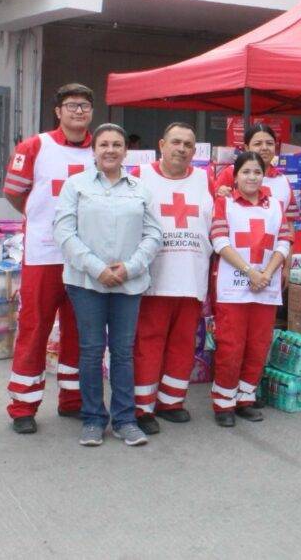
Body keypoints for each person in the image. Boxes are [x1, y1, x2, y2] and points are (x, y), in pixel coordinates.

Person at [54, 124, 162, 447]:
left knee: (123, 352)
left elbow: (154, 234)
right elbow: (63, 232)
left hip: (128, 284)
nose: (110, 150)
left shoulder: (140, 188)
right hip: (87, 282)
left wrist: (130, 268)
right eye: (104, 144)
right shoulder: (76, 185)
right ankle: (92, 419)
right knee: (89, 352)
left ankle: (125, 419)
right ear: (94, 149)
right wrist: (97, 268)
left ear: (125, 151)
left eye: (117, 144)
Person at [1, 82, 96, 434]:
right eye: (71, 105)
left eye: (85, 106)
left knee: (79, 330)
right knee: (35, 327)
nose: (78, 111)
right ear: (58, 111)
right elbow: (13, 192)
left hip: (84, 257)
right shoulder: (36, 145)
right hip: (44, 254)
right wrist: (40, 217)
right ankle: (22, 407)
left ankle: (72, 400)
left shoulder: (99, 151)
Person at [132, 123, 213, 435]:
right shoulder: (141, 176)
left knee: (183, 343)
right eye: (176, 142)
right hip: (155, 278)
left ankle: (172, 402)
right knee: (148, 343)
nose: (182, 149)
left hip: (192, 277)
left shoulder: (205, 178)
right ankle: (142, 406)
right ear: (162, 144)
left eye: (188, 145)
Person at [209, 151, 292, 427]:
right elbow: (219, 241)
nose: (252, 177)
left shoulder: (276, 205)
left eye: (257, 172)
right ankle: (223, 403)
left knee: (258, 345)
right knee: (231, 346)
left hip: (265, 288)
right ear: (235, 176)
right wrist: (251, 272)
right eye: (246, 171)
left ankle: (245, 398)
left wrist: (267, 274)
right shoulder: (225, 202)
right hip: (233, 288)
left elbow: (284, 242)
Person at [212, 123, 297, 225]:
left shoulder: (283, 180)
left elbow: (289, 223)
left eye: (269, 143)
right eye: (258, 144)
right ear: (246, 148)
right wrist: (219, 193)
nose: (264, 148)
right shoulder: (231, 173)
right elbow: (212, 208)